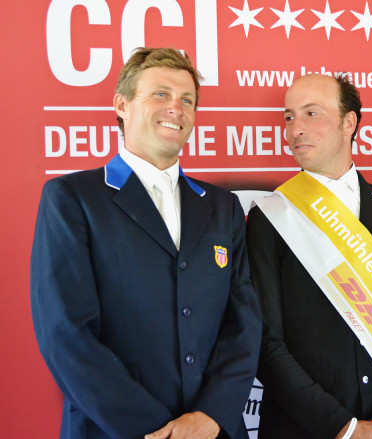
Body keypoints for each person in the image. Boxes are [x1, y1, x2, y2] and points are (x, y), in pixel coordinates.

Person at [30, 47, 261, 439]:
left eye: (187, 100)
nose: (177, 107)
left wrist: (212, 414)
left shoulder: (223, 206)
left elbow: (244, 323)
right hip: (116, 430)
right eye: (160, 94)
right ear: (122, 104)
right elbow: (65, 334)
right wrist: (157, 430)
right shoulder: (73, 198)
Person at [246, 73, 372, 439]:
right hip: (308, 429)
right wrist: (344, 427)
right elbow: (265, 341)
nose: (295, 129)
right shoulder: (269, 218)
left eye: (311, 113)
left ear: (349, 122)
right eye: (289, 117)